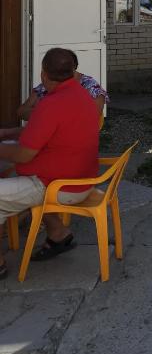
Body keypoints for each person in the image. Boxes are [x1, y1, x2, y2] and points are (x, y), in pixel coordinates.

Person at [0, 48, 100, 279]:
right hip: (82, 178)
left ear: (44, 75)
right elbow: (47, 131)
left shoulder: (50, 104)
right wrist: (8, 133)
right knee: (13, 180)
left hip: (58, 186)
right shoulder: (82, 95)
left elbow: (23, 155)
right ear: (73, 72)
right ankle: (58, 234)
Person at [18, 50, 109, 120]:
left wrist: (50, 114)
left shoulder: (90, 86)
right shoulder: (50, 82)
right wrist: (45, 114)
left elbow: (93, 116)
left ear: (74, 67)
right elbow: (21, 111)